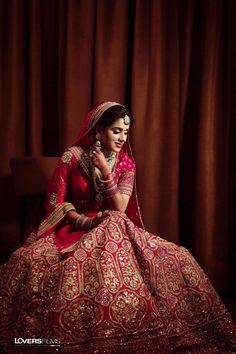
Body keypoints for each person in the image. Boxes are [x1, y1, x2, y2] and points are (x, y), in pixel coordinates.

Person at [0, 101, 236, 354]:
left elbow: (120, 207)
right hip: (73, 226)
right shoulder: (73, 156)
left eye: (126, 132)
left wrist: (105, 170)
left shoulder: (126, 164)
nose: (123, 137)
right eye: (116, 130)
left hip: (113, 227)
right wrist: (86, 221)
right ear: (98, 131)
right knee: (36, 257)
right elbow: (58, 202)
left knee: (175, 255)